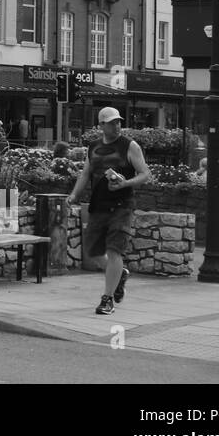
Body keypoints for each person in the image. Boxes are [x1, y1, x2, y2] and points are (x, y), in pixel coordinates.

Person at [66, 107, 151, 315]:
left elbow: (145, 174)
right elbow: (85, 174)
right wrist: (74, 195)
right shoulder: (93, 147)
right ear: (101, 125)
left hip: (122, 205)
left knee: (114, 250)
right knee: (94, 252)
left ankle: (107, 299)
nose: (117, 125)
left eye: (118, 122)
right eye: (112, 122)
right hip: (98, 205)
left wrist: (125, 184)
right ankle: (119, 275)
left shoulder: (129, 146)